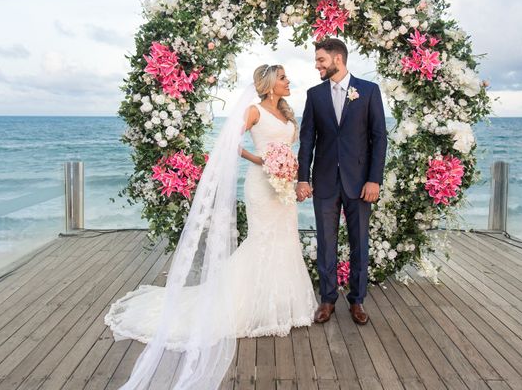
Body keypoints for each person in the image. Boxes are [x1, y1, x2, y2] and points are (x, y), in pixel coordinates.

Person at [104, 64, 316, 389]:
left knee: (285, 238)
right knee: (262, 239)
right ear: (271, 83)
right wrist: (261, 160)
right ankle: (247, 304)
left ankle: (282, 305)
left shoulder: (287, 113)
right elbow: (230, 142)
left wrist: (291, 170)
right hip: (262, 185)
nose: (289, 82)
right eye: (284, 78)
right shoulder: (253, 110)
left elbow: (291, 148)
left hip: (283, 185)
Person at [296, 38, 387, 326]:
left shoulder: (369, 91)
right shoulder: (314, 95)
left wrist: (374, 179)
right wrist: (303, 177)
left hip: (359, 182)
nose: (317, 65)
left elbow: (379, 138)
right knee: (325, 242)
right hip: (324, 181)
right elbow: (307, 139)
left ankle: (357, 300)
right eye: (316, 60)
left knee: (360, 241)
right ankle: (327, 299)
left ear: (338, 59)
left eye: (321, 60)